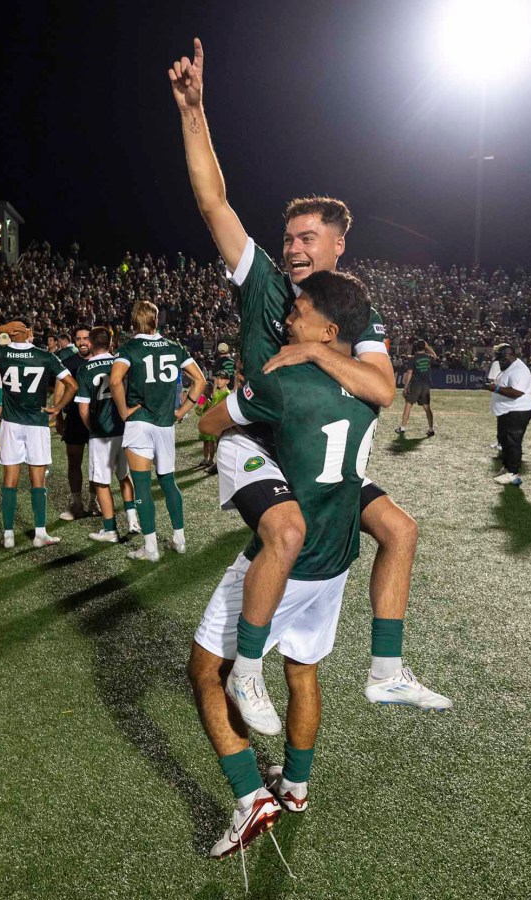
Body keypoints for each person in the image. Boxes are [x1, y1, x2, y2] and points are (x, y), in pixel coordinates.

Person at [171, 38, 450, 719]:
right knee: (289, 533)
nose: (292, 246)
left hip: (316, 448)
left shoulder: (353, 310)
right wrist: (193, 110)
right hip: (260, 438)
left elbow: (381, 389)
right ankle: (247, 666)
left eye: (306, 238)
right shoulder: (263, 280)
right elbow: (214, 204)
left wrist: (318, 353)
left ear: (337, 246)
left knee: (401, 530)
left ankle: (385, 670)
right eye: (288, 236)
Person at [191, 270, 379, 859]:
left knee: (204, 672)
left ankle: (251, 799)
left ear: (326, 330)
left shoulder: (285, 380)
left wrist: (244, 407)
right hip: (338, 555)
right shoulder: (372, 388)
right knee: (303, 673)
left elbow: (209, 423)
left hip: (286, 564)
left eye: (298, 312)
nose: (287, 319)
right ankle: (295, 788)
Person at [109, 300, 207, 562]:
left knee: (142, 484)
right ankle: (180, 540)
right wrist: (182, 410)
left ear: (133, 321)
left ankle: (150, 548)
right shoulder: (175, 347)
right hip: (165, 424)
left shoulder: (129, 348)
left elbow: (115, 380)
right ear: (156, 320)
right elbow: (200, 381)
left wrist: (122, 411)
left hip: (139, 422)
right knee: (168, 481)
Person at [0, 319, 73, 549]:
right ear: (29, 332)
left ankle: (8, 534)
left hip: (11, 424)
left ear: (12, 333)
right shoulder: (46, 356)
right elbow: (72, 384)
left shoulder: (1, 352)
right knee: (37, 480)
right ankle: (40, 533)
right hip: (37, 424)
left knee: (9, 480)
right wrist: (58, 407)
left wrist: (1, 329)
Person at [74, 326, 140, 542]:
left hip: (101, 433)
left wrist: (91, 428)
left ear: (91, 344)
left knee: (102, 482)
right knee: (124, 476)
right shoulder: (121, 363)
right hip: (124, 428)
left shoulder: (85, 369)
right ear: (111, 344)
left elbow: (83, 408)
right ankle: (133, 520)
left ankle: (110, 530)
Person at [58, 324, 95, 521]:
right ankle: (77, 502)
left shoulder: (102, 360)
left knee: (96, 463)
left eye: (85, 338)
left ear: (93, 340)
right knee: (74, 462)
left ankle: (94, 501)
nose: (82, 342)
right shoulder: (68, 362)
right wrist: (58, 417)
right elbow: (59, 390)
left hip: (97, 419)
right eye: (78, 339)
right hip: (73, 418)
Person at [486, 343, 531, 486]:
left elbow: (516, 392)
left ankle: (513, 473)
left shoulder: (519, 370)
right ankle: (507, 467)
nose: (499, 362)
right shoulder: (509, 366)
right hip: (507, 410)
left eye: (501, 358)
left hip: (517, 411)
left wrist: (494, 389)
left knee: (513, 442)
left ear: (510, 356)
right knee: (504, 440)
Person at [396, 340, 437, 437]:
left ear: (416, 348)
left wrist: (405, 386)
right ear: (424, 347)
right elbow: (435, 356)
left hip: (416, 385)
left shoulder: (413, 359)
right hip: (426, 386)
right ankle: (431, 429)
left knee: (408, 405)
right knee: (427, 408)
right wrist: (428, 347)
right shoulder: (428, 357)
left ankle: (402, 428)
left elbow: (409, 373)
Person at [196, 371, 232, 469]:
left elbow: (217, 407)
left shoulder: (227, 394)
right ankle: (205, 458)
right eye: (217, 379)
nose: (218, 381)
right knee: (206, 442)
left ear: (228, 381)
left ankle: (212, 460)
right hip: (208, 420)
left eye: (221, 379)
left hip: (217, 423)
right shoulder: (214, 392)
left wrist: (211, 395)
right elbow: (200, 407)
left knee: (214, 443)